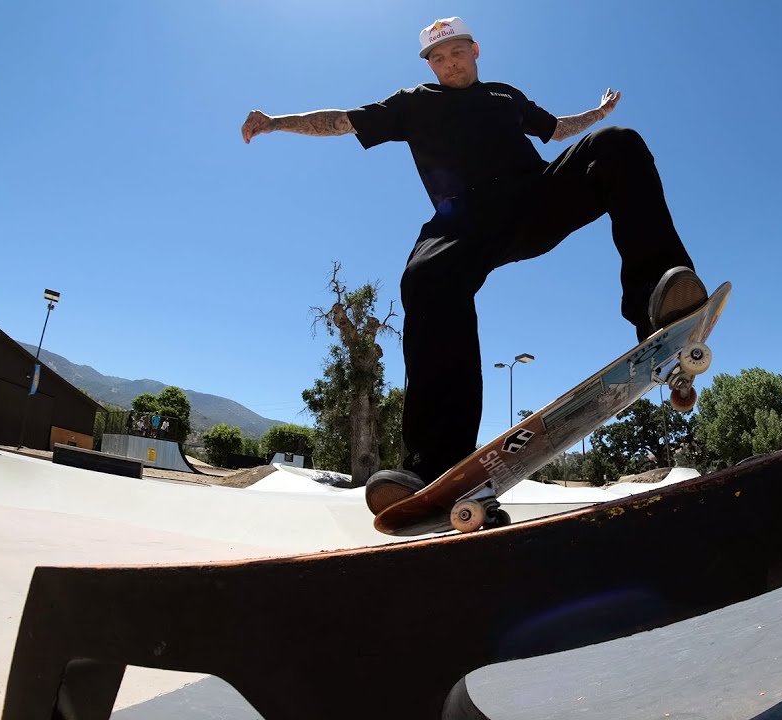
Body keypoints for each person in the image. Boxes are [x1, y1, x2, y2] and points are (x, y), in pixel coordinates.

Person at [241, 17, 707, 512]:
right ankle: (435, 463)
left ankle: (657, 300)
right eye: (438, 59)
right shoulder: (413, 102)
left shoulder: (505, 96)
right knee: (425, 277)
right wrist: (276, 122)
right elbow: (340, 121)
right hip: (463, 220)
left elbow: (555, 130)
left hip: (535, 198)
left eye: (456, 54)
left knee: (618, 144)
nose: (448, 65)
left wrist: (596, 113)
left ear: (475, 50)